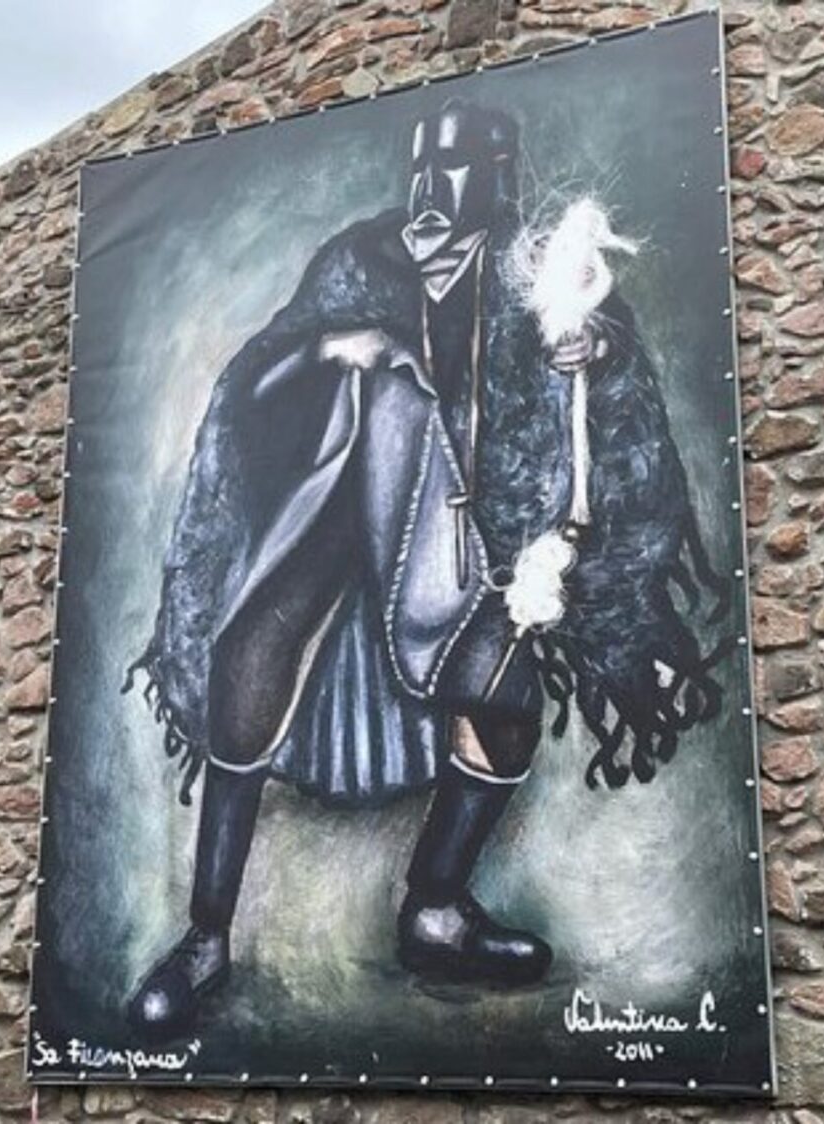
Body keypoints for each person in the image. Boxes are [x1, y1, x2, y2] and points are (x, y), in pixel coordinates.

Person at [125, 98, 727, 1037]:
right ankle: (204, 938)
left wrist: (596, 350)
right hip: (336, 502)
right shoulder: (361, 258)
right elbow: (255, 383)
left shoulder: (535, 267)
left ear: (500, 171)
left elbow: (597, 388)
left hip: (456, 534)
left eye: (456, 167)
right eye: (424, 167)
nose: (432, 188)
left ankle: (436, 911)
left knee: (506, 697)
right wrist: (338, 348)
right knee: (247, 667)